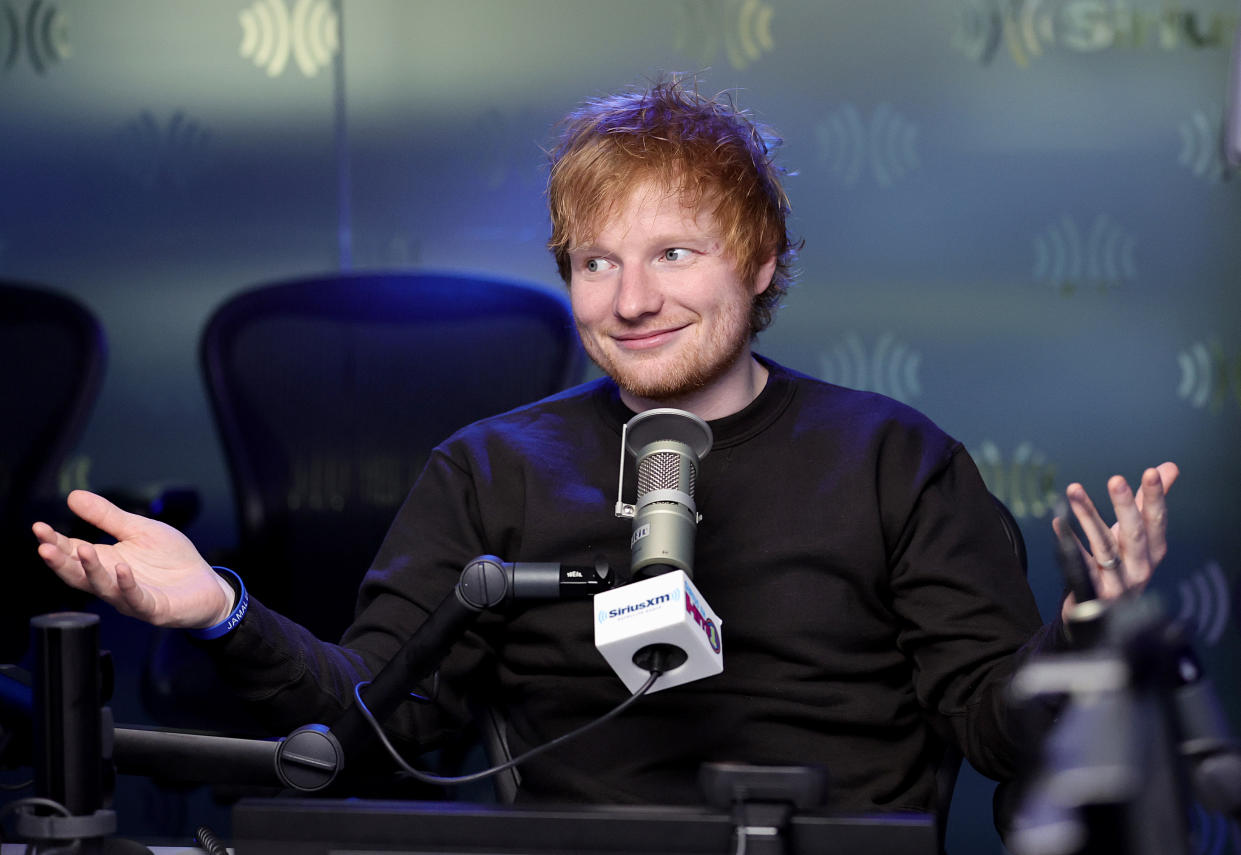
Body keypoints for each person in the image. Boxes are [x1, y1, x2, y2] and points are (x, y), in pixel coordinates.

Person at [32, 76, 1177, 818]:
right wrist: (223, 611)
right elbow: (379, 725)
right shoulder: (489, 471)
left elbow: (993, 732)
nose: (630, 300)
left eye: (674, 254)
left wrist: (1080, 631)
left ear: (762, 259)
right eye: (594, 262)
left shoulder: (896, 461)